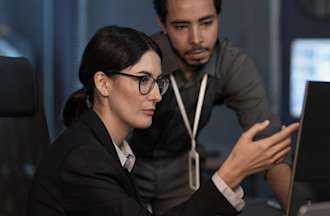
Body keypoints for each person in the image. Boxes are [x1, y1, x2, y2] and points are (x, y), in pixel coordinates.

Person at [27, 25, 298, 216]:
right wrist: (231, 172)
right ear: (103, 83)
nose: (156, 95)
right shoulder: (84, 159)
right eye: (143, 80)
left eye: (158, 82)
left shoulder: (106, 148)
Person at [130, 0, 295, 214]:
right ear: (162, 23)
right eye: (181, 26)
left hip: (183, 171)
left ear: (218, 17)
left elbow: (270, 141)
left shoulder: (231, 63)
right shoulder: (141, 61)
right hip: (129, 167)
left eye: (206, 23)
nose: (196, 39)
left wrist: (296, 211)